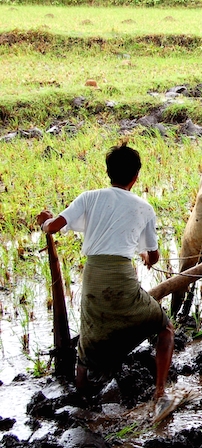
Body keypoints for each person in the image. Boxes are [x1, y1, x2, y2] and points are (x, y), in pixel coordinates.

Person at [37, 141, 174, 401]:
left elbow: (54, 227)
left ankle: (81, 399)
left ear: (108, 173)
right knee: (165, 328)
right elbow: (154, 256)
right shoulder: (144, 207)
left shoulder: (89, 197)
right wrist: (146, 255)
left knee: (87, 343)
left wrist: (43, 222)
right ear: (136, 177)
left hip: (93, 279)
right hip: (122, 280)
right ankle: (160, 392)